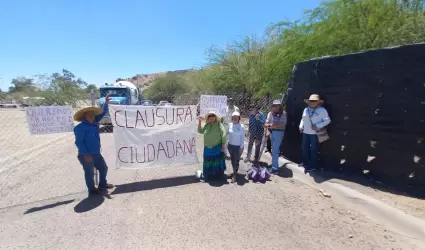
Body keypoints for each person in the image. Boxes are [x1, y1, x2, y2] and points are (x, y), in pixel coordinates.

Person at [74, 94, 114, 196]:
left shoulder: (95, 122)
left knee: (103, 168)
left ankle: (102, 184)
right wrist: (86, 154)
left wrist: (106, 103)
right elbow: (79, 142)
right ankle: (91, 190)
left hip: (96, 153)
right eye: (88, 114)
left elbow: (103, 113)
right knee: (89, 172)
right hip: (86, 155)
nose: (91, 115)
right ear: (85, 116)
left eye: (92, 113)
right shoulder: (80, 128)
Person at [299, 94, 331, 172]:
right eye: (310, 101)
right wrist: (301, 126)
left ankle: (312, 165)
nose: (312, 102)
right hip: (305, 132)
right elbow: (303, 119)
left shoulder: (322, 110)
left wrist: (317, 126)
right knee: (304, 148)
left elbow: (327, 120)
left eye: (314, 101)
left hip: (315, 133)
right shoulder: (306, 109)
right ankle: (305, 162)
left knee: (313, 149)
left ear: (318, 102)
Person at [198, 111, 227, 182]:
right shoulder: (207, 125)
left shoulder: (219, 125)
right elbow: (200, 131)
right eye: (209, 116)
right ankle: (207, 178)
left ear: (215, 117)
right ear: (208, 118)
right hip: (207, 148)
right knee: (207, 162)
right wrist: (199, 122)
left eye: (213, 116)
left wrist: (223, 145)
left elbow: (223, 135)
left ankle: (218, 178)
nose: (211, 117)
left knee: (217, 162)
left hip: (217, 147)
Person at [264, 100, 287, 174]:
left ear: (280, 106)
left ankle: (275, 169)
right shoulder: (270, 113)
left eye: (277, 105)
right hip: (272, 132)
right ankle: (274, 165)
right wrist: (268, 128)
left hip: (279, 133)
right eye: (274, 105)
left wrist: (271, 125)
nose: (275, 107)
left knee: (275, 150)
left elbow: (282, 124)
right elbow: (267, 122)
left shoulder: (283, 114)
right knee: (273, 149)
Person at [226, 111, 245, 183]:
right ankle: (234, 172)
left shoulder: (241, 126)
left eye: (236, 117)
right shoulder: (230, 125)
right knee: (232, 160)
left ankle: (234, 175)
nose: (235, 118)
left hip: (238, 147)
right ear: (232, 118)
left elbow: (242, 138)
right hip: (230, 146)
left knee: (236, 161)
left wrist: (241, 147)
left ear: (239, 118)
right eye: (233, 117)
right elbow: (226, 133)